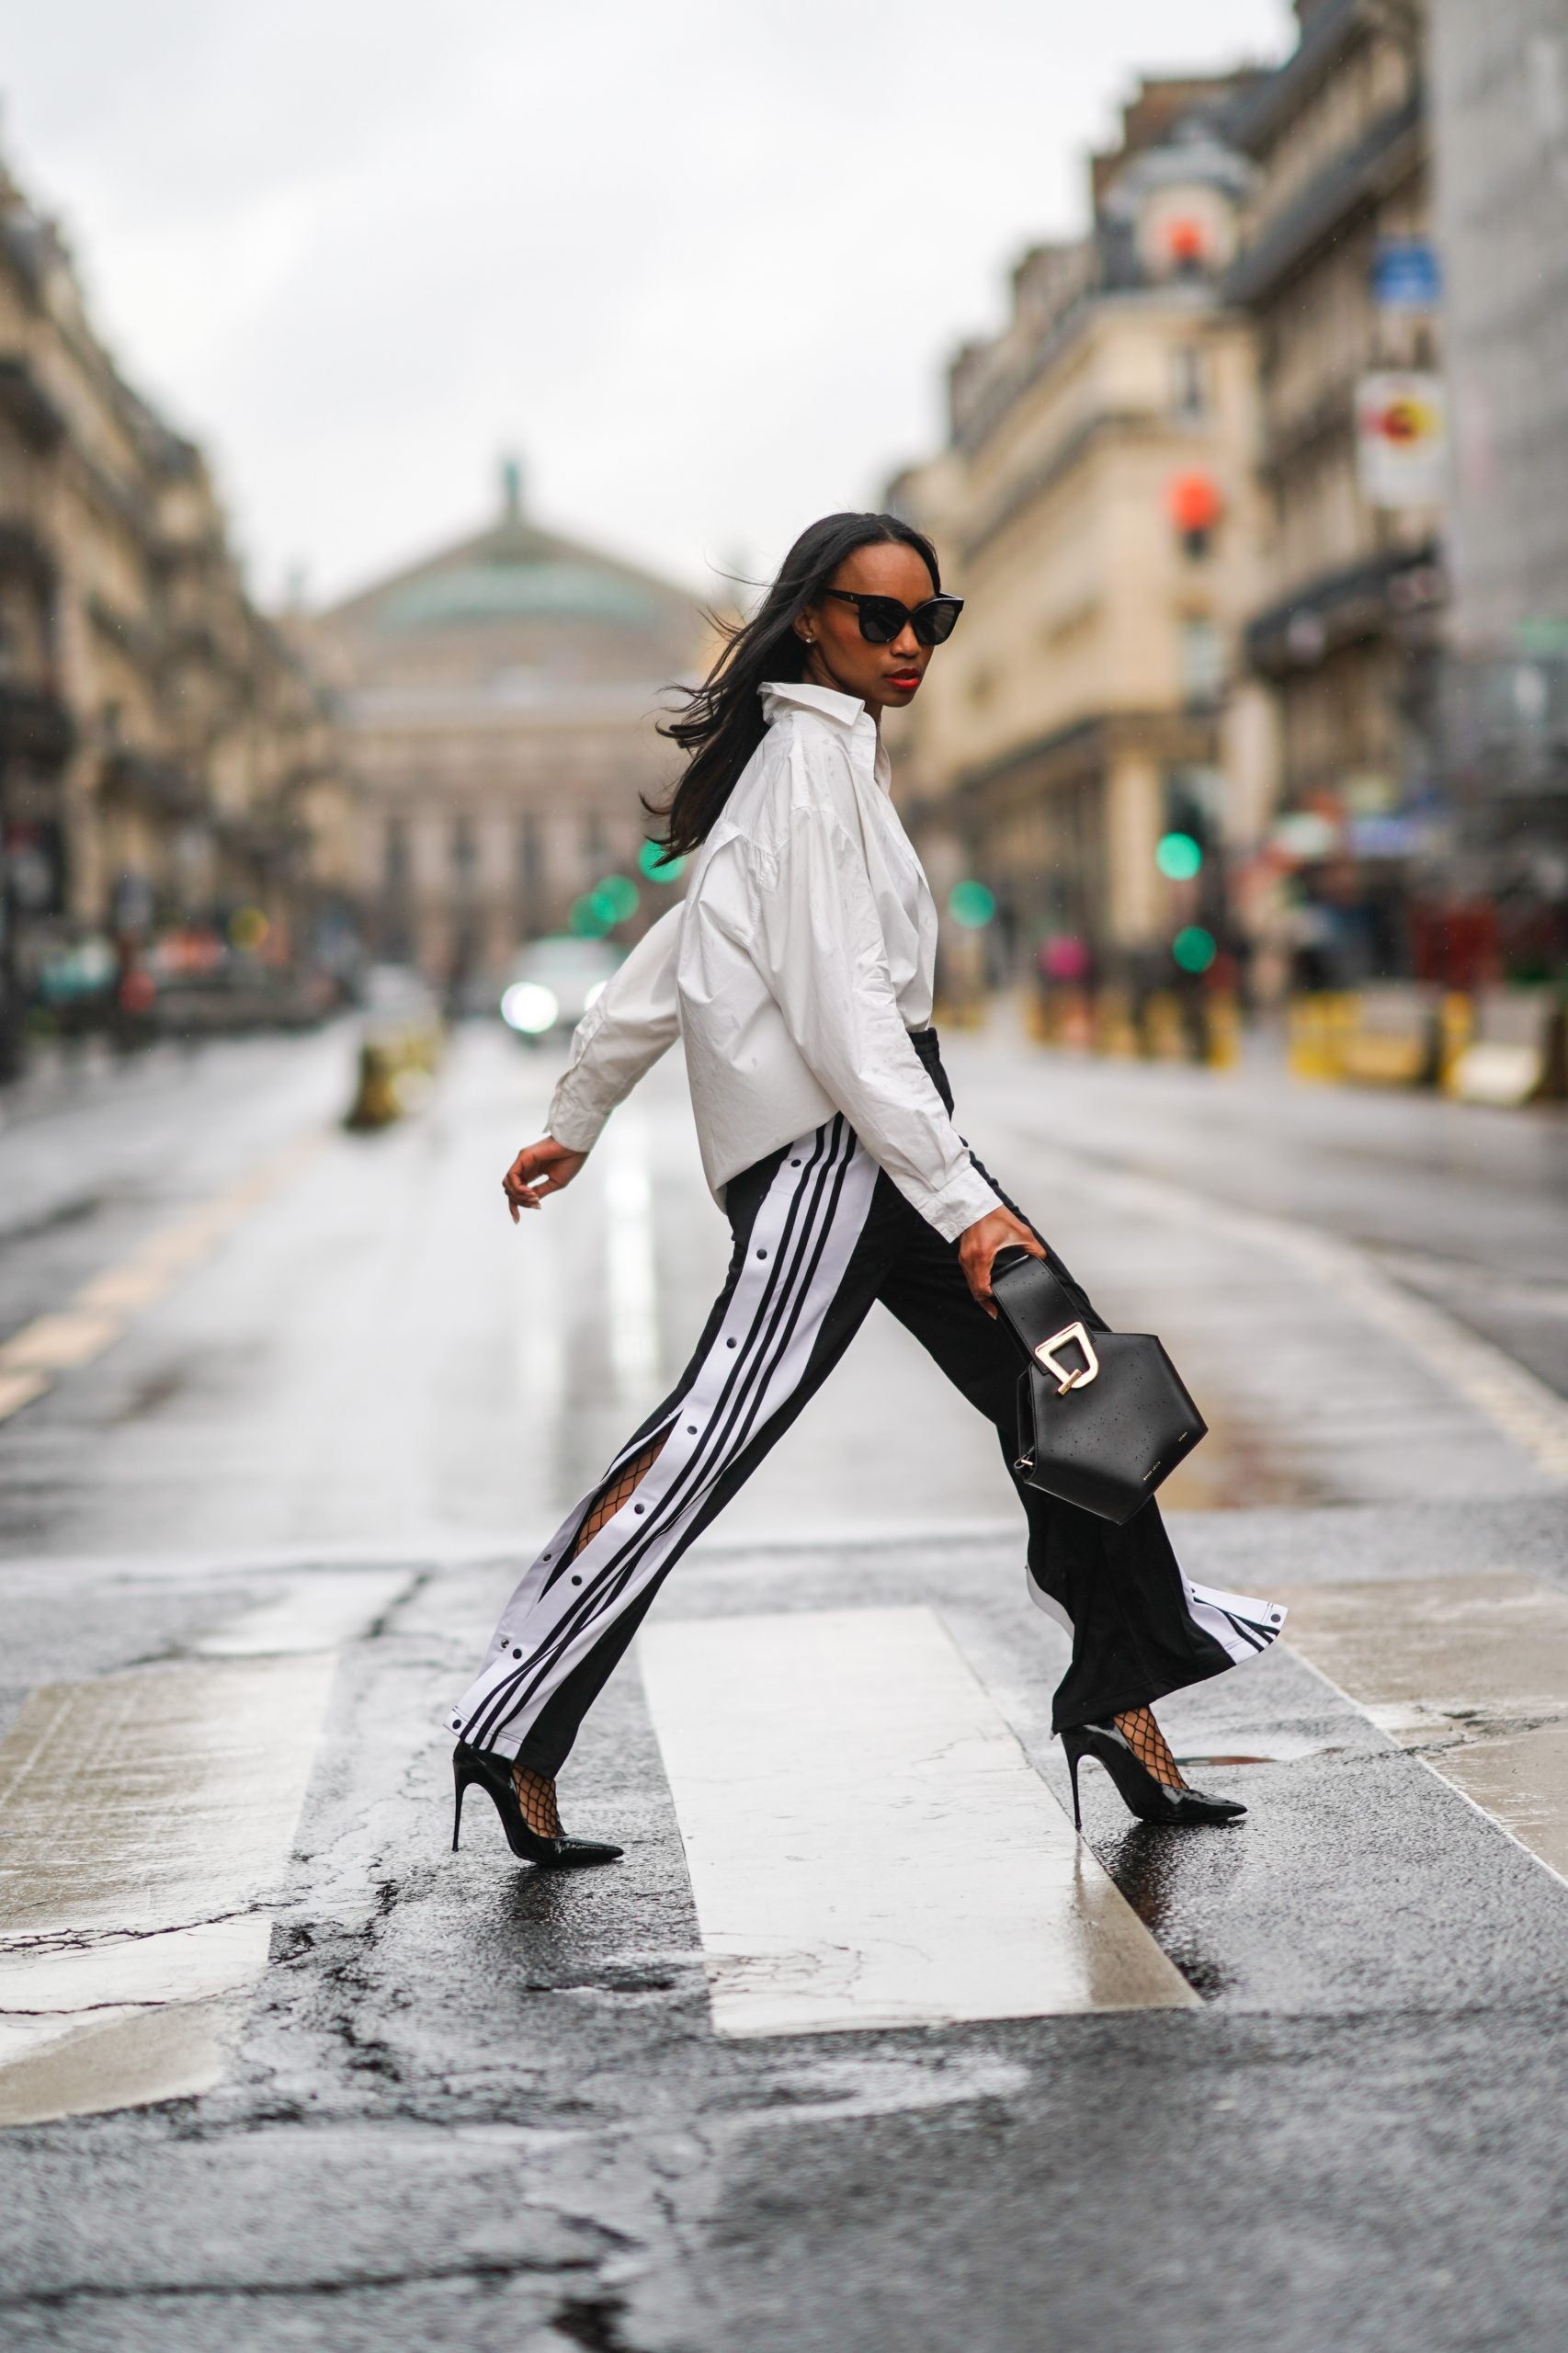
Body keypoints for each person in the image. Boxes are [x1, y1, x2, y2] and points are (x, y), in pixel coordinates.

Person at [447, 511, 1283, 1868]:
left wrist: (579, 1112)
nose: (909, 645)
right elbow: (845, 1018)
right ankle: (513, 1717)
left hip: (888, 1140)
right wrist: (966, 1203)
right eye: (878, 618)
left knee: (1071, 1399)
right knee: (709, 1438)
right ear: (810, 621)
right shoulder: (801, 771)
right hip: (838, 1154)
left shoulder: (824, 762)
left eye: (928, 621)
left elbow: (681, 951)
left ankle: (1121, 1702)